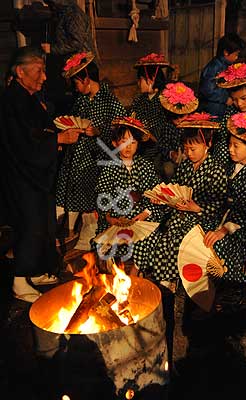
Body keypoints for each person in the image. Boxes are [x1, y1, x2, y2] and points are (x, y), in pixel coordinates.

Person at [0, 46, 82, 303]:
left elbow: (36, 130)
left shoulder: (26, 97)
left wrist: (54, 135)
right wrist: (58, 138)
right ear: (20, 71)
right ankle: (19, 280)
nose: (44, 77)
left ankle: (36, 270)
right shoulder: (12, 100)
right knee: (29, 224)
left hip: (35, 173)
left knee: (43, 223)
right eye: (39, 71)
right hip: (21, 174)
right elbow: (22, 141)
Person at [133, 114, 227, 288]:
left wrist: (197, 208)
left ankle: (170, 279)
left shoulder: (216, 171)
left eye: (193, 149)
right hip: (179, 212)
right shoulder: (184, 166)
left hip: (202, 218)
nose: (189, 154)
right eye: (186, 149)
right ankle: (156, 276)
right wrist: (163, 200)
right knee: (152, 231)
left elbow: (219, 204)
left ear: (208, 145)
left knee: (173, 236)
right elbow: (175, 190)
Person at [55, 52, 127, 250]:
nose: (75, 88)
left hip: (95, 160)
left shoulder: (110, 101)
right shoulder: (80, 100)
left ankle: (86, 242)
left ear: (86, 78)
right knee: (65, 193)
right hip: (74, 156)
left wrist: (99, 131)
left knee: (88, 202)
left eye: (76, 82)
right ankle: (64, 233)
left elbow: (121, 131)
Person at [204, 112, 246, 311]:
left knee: (222, 246)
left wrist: (223, 230)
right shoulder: (237, 165)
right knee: (203, 230)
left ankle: (237, 292)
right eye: (229, 144)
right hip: (233, 217)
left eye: (236, 146)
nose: (230, 150)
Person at [93, 116, 164, 267]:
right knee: (107, 243)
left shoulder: (145, 166)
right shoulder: (109, 167)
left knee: (148, 238)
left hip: (141, 215)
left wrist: (145, 213)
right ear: (115, 143)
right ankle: (113, 270)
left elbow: (155, 192)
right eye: (124, 142)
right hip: (117, 215)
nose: (128, 147)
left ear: (138, 144)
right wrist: (110, 217)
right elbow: (103, 195)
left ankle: (136, 273)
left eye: (133, 142)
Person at [130, 53, 180, 178]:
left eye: (140, 79)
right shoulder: (138, 101)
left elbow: (167, 129)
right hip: (140, 148)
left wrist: (152, 136)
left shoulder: (165, 101)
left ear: (150, 79)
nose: (138, 83)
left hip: (161, 150)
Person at [212, 63, 246, 169]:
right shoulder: (232, 109)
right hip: (233, 152)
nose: (239, 104)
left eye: (244, 98)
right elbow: (223, 133)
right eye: (234, 99)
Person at [198, 33, 246, 119]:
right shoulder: (214, 67)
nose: (236, 57)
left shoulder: (226, 65)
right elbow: (207, 90)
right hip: (212, 109)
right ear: (226, 52)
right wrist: (225, 98)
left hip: (221, 107)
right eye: (236, 54)